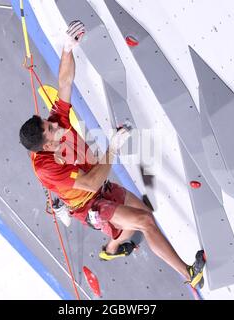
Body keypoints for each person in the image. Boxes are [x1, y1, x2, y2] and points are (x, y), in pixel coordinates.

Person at [19, 20, 205, 289]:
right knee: (145, 221)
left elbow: (65, 82)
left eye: (50, 122)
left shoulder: (56, 124)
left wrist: (67, 50)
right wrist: (113, 148)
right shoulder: (48, 168)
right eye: (51, 129)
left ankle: (112, 248)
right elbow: (91, 182)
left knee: (138, 215)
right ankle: (190, 275)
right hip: (90, 205)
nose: (57, 123)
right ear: (46, 146)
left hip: (100, 186)